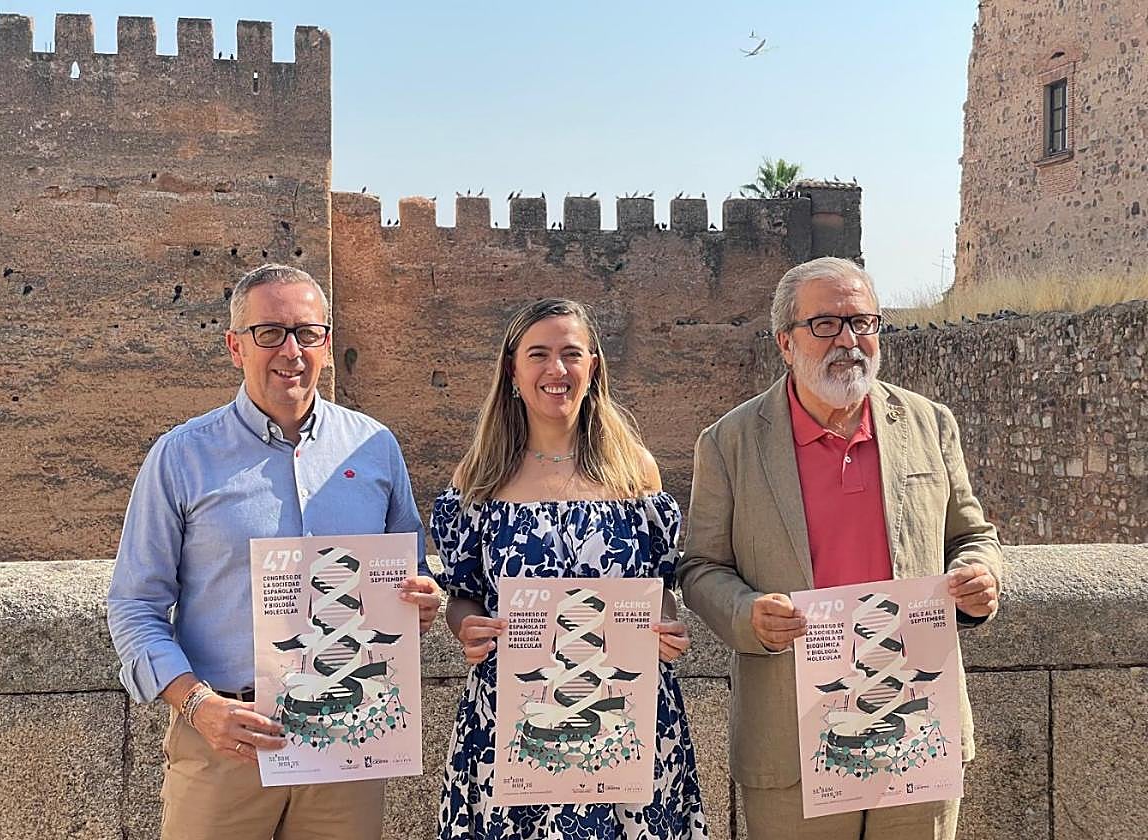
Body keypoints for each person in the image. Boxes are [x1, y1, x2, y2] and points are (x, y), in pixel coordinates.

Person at [107, 264, 442, 840]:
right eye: (270, 333)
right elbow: (134, 606)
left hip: (347, 745)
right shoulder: (181, 456)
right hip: (226, 742)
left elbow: (411, 573)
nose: (291, 350)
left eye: (307, 333)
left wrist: (424, 599)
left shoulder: (375, 446)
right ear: (236, 347)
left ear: (327, 345)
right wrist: (197, 706)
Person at [679, 257, 1003, 840]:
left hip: (916, 721)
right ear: (785, 341)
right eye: (826, 324)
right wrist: (745, 614)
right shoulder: (729, 442)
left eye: (863, 322)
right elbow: (701, 567)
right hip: (792, 731)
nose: (849, 341)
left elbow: (971, 534)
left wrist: (977, 574)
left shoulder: (931, 424)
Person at [431, 298, 708, 840]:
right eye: (539, 354)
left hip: (628, 721)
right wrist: (465, 626)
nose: (556, 371)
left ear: (593, 366)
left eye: (570, 354)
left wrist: (667, 626)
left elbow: (661, 585)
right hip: (512, 723)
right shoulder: (480, 477)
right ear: (513, 370)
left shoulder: (635, 471)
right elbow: (463, 593)